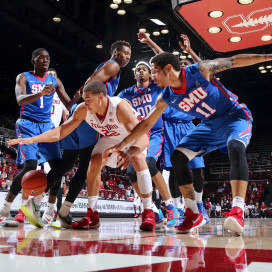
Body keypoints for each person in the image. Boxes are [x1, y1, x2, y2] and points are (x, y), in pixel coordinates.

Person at [104, 51, 272, 235]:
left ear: (168, 68)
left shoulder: (198, 70)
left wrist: (267, 57)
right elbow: (146, 123)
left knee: (235, 147)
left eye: (155, 71)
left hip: (234, 116)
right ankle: (192, 212)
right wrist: (122, 144)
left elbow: (233, 61)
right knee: (178, 156)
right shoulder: (166, 96)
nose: (152, 76)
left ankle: (237, 210)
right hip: (209, 124)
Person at [8, 80, 156, 232]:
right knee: (94, 161)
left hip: (133, 135)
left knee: (138, 158)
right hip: (111, 137)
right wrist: (31, 139)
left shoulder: (119, 107)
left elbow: (143, 137)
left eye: (88, 99)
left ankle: (148, 212)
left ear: (100, 97)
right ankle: (92, 214)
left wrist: (129, 151)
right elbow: (61, 131)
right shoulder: (83, 109)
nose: (85, 103)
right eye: (84, 99)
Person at [0, 48, 76, 226]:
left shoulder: (55, 80)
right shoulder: (23, 77)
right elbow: (20, 100)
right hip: (27, 124)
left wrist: (76, 98)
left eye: (48, 57)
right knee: (30, 167)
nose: (45, 60)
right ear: (33, 60)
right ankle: (5, 208)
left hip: (47, 126)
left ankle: (50, 210)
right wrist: (41, 93)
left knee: (58, 168)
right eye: (41, 57)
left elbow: (68, 104)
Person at [118, 60, 179, 227]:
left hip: (155, 133)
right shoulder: (126, 93)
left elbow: (171, 77)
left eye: (144, 69)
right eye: (138, 70)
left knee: (150, 165)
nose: (141, 72)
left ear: (150, 73)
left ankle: (171, 207)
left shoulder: (157, 87)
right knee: (131, 172)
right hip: (138, 135)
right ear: (134, 74)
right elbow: (113, 105)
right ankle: (152, 208)